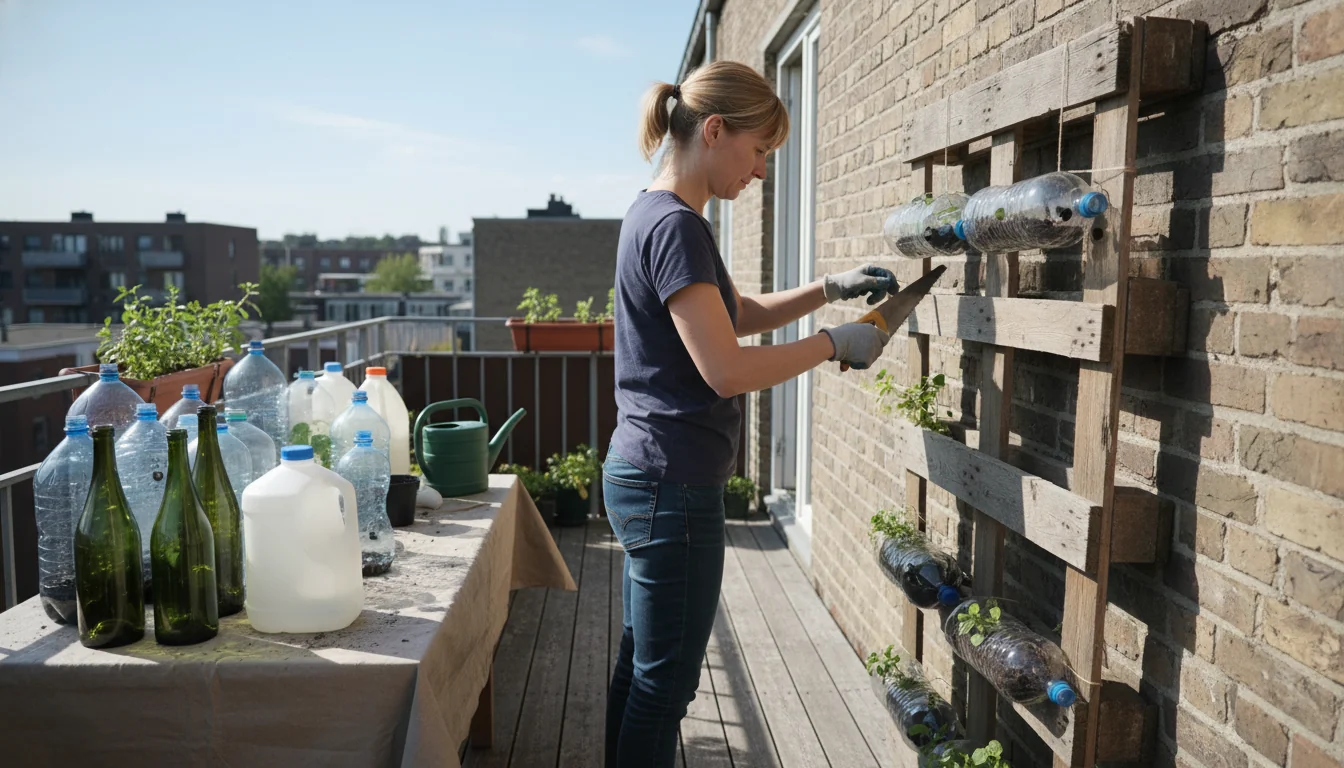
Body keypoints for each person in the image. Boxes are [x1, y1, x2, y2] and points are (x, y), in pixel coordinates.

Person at [603, 60, 896, 766]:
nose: (762, 172)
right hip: (671, 488)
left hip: (644, 474)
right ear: (713, 131)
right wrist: (831, 346)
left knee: (643, 667)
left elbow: (732, 317)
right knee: (665, 687)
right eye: (760, 150)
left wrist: (826, 289)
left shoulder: (657, 213)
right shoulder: (678, 227)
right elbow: (726, 366)